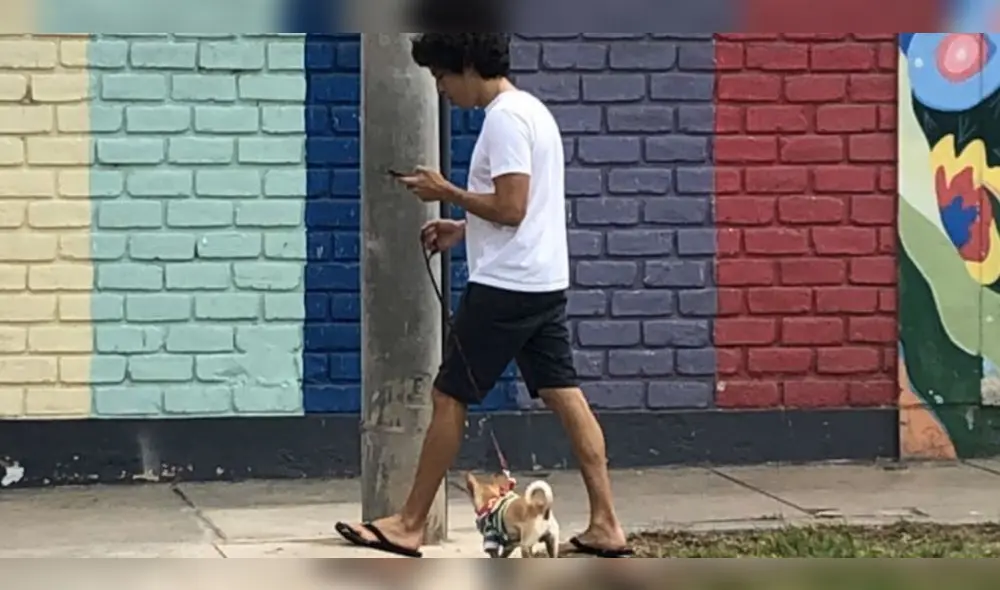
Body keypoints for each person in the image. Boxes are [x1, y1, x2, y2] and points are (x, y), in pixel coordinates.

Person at [334, 33, 632, 558]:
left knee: (449, 395)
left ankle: (409, 524)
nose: (441, 89)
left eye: (442, 76)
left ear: (468, 66)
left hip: (504, 288)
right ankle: (606, 523)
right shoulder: (533, 111)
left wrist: (445, 191)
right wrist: (462, 228)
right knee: (565, 394)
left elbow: (512, 208)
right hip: (541, 281)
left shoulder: (504, 120)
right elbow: (524, 210)